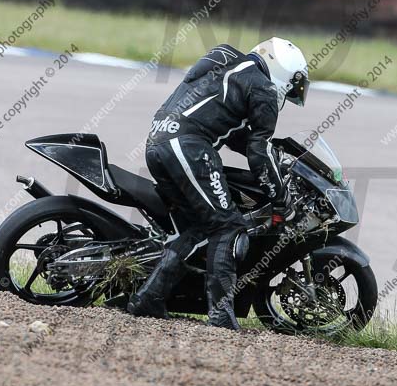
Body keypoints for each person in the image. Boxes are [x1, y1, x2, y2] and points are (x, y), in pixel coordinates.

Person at [127, 37, 310, 330]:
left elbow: (223, 123)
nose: (287, 93)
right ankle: (221, 316)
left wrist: (268, 150)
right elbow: (258, 154)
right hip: (188, 148)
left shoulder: (223, 57)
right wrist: (281, 200)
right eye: (292, 85)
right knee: (229, 226)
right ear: (285, 74)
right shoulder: (262, 88)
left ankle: (149, 298)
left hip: (157, 140)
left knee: (198, 228)